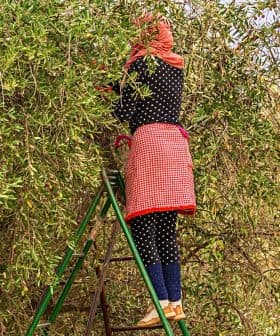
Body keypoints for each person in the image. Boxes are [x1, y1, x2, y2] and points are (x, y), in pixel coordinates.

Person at [110, 13, 196, 327]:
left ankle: (158, 301)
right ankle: (175, 302)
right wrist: (118, 85)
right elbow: (151, 97)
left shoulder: (140, 64)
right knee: (165, 230)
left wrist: (105, 96)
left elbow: (125, 110)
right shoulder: (175, 66)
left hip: (150, 146)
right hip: (175, 144)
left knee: (144, 228)